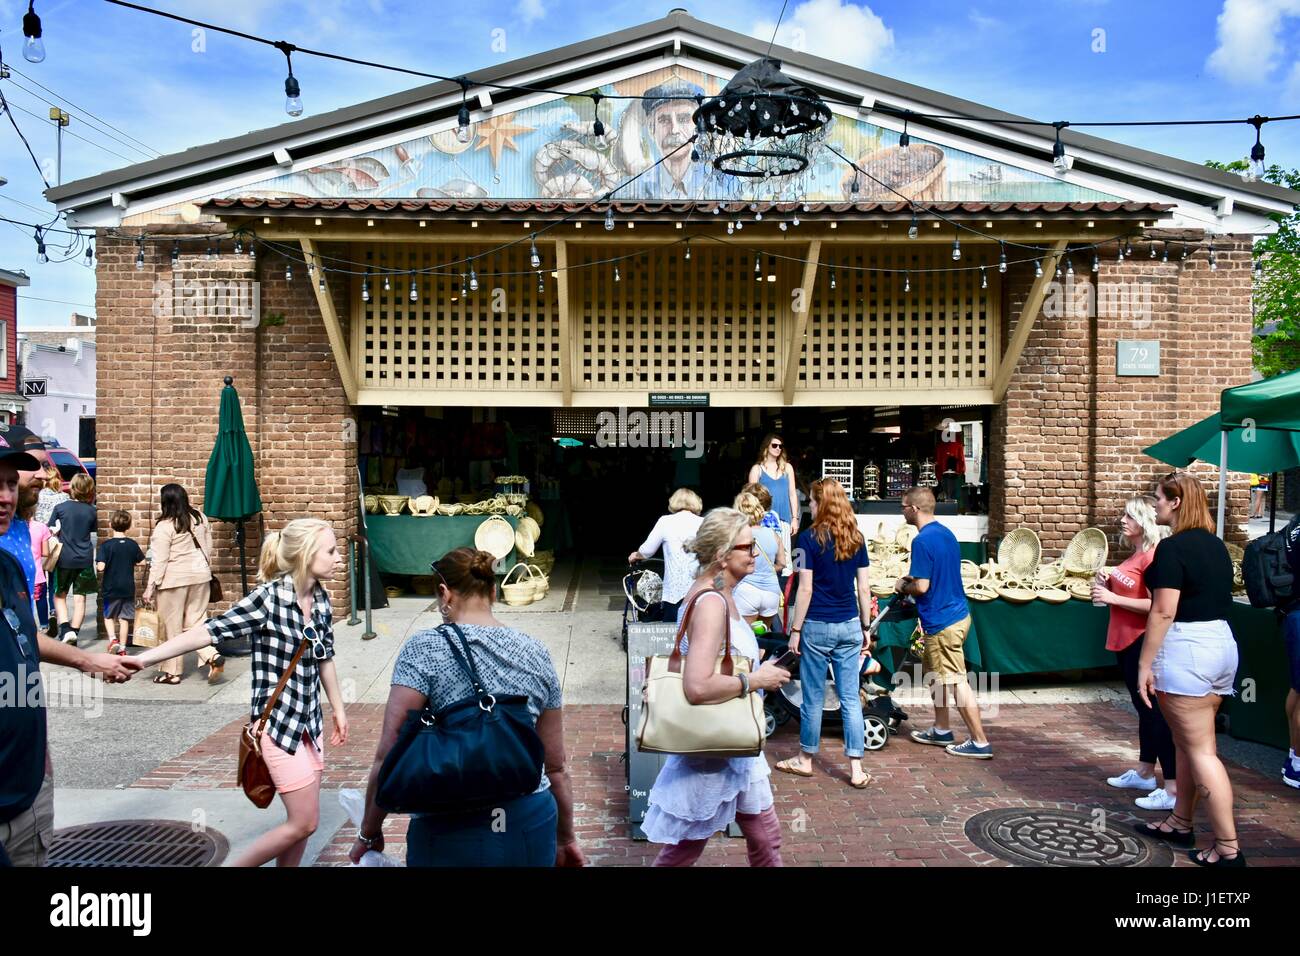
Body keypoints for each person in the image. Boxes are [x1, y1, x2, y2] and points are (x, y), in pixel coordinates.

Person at [349, 548, 585, 867]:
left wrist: (370, 831)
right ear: (493, 591)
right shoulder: (535, 652)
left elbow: (388, 754)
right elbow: (555, 766)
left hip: (448, 826)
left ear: (444, 594)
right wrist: (566, 837)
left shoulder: (424, 649)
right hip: (529, 821)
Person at [132, 518, 349, 867]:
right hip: (277, 727)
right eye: (331, 551)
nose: (339, 558)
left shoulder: (322, 601)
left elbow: (325, 659)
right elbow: (207, 632)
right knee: (304, 821)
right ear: (308, 555)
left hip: (309, 724)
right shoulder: (269, 599)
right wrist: (143, 659)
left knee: (302, 827)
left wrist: (338, 708)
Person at [0, 440, 139, 867]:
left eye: (9, 484)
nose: (5, 496)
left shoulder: (5, 566)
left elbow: (25, 636)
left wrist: (88, 660)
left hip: (28, 790)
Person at [642, 508, 792, 866]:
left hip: (733, 744)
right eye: (749, 546)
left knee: (765, 839)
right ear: (723, 555)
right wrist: (754, 679)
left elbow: (719, 660)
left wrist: (757, 668)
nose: (757, 553)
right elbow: (697, 686)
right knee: (684, 850)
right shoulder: (710, 602)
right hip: (715, 746)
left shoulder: (719, 594)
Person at [1134, 473, 1244, 866]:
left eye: (1159, 498)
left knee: (1201, 752)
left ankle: (1228, 848)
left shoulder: (1172, 548)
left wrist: (1144, 664)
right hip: (1221, 645)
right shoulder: (1215, 545)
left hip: (1188, 648)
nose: (1155, 504)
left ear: (1176, 502)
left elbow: (1164, 610)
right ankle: (1180, 822)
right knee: (1188, 743)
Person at [778, 478, 877, 788]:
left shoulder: (805, 541)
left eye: (810, 501)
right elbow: (864, 588)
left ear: (821, 504)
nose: (808, 506)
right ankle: (857, 768)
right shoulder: (856, 538)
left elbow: (804, 589)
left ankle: (806, 759)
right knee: (850, 697)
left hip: (817, 625)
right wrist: (865, 627)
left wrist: (795, 629)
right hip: (849, 623)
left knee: (813, 697)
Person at [1093, 496, 1176, 810]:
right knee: (1144, 710)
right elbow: (1129, 588)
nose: (1123, 520)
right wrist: (1108, 578)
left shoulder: (1154, 557)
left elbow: (1157, 605)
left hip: (1141, 641)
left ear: (1144, 522)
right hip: (1124, 641)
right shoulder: (1136, 554)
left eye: (1130, 516)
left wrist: (1113, 598)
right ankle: (1144, 771)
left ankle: (1171, 786)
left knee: (1155, 713)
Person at [899, 486, 991, 758]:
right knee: (936, 676)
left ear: (914, 509)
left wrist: (903, 586)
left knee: (954, 680)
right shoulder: (946, 533)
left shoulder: (922, 541)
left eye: (903, 506)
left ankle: (979, 741)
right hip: (956, 615)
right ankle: (941, 729)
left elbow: (923, 587)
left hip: (942, 621)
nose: (902, 511)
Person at [141, 484, 223, 685]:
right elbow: (208, 546)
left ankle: (172, 672)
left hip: (173, 579)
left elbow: (160, 560)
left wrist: (150, 587)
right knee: (196, 623)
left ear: (165, 502)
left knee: (172, 628)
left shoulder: (165, 526)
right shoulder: (199, 518)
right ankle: (211, 655)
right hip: (201, 576)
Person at [628, 487, 703, 623]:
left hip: (674, 591)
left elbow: (647, 551)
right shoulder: (703, 522)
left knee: (673, 631)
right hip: (699, 589)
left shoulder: (665, 521)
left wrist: (636, 555)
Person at [49, 473, 97, 646]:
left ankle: (65, 629)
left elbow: (51, 529)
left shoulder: (61, 508)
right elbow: (93, 530)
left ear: (72, 488)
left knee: (59, 596)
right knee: (80, 598)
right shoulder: (92, 511)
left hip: (64, 558)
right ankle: (74, 633)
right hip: (84, 558)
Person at [731, 490, 786, 629]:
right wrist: (766, 570)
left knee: (745, 639)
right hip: (771, 593)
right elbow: (782, 563)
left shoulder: (737, 535)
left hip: (746, 591)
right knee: (761, 639)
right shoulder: (773, 534)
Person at [97, 510, 144, 656]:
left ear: (111, 525)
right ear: (128, 526)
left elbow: (101, 567)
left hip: (111, 588)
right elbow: (142, 562)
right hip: (128, 588)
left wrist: (98, 564)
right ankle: (123, 648)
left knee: (109, 616)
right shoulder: (132, 544)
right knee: (124, 619)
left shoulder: (106, 546)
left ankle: (113, 640)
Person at [747, 434, 798, 555]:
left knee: (784, 558)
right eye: (774, 445)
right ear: (766, 447)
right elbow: (750, 499)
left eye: (781, 446)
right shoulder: (757, 469)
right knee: (766, 555)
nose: (778, 448)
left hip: (784, 519)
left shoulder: (787, 468)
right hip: (764, 520)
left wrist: (795, 518)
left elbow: (792, 494)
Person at [1284, 512, 1300, 790]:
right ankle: (1297, 761)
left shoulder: (1296, 522)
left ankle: (1294, 756)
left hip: (1294, 610)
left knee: (1297, 689)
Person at [25, 493, 52, 632]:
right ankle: (44, 625)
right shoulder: (41, 527)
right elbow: (46, 552)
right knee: (41, 600)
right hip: (37, 573)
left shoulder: (14, 527)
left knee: (24, 602)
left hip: (20, 574)